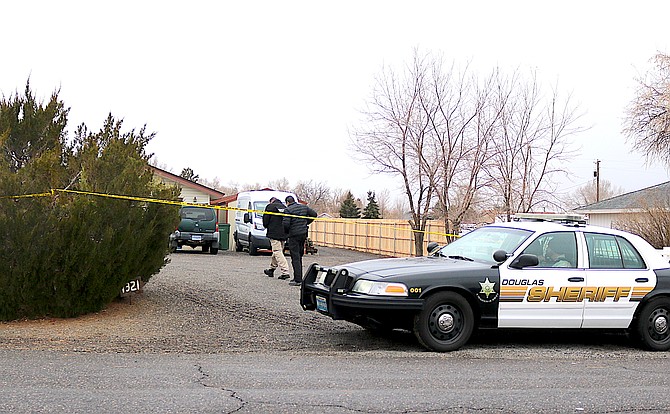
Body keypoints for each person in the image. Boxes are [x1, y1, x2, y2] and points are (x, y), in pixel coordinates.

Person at [282, 195, 317, 286]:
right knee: (299, 255)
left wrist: (287, 233)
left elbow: (286, 224)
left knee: (295, 257)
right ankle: (299, 277)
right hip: (303, 234)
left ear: (287, 202)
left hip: (293, 235)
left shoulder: (288, 210)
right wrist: (306, 222)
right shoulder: (303, 207)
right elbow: (314, 214)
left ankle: (298, 279)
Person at [262, 197, 291, 279]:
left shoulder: (270, 207)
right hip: (284, 233)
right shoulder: (285, 207)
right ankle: (271, 269)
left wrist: (266, 226)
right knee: (278, 251)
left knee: (277, 251)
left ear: (271, 201)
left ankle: (285, 272)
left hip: (274, 233)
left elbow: (265, 220)